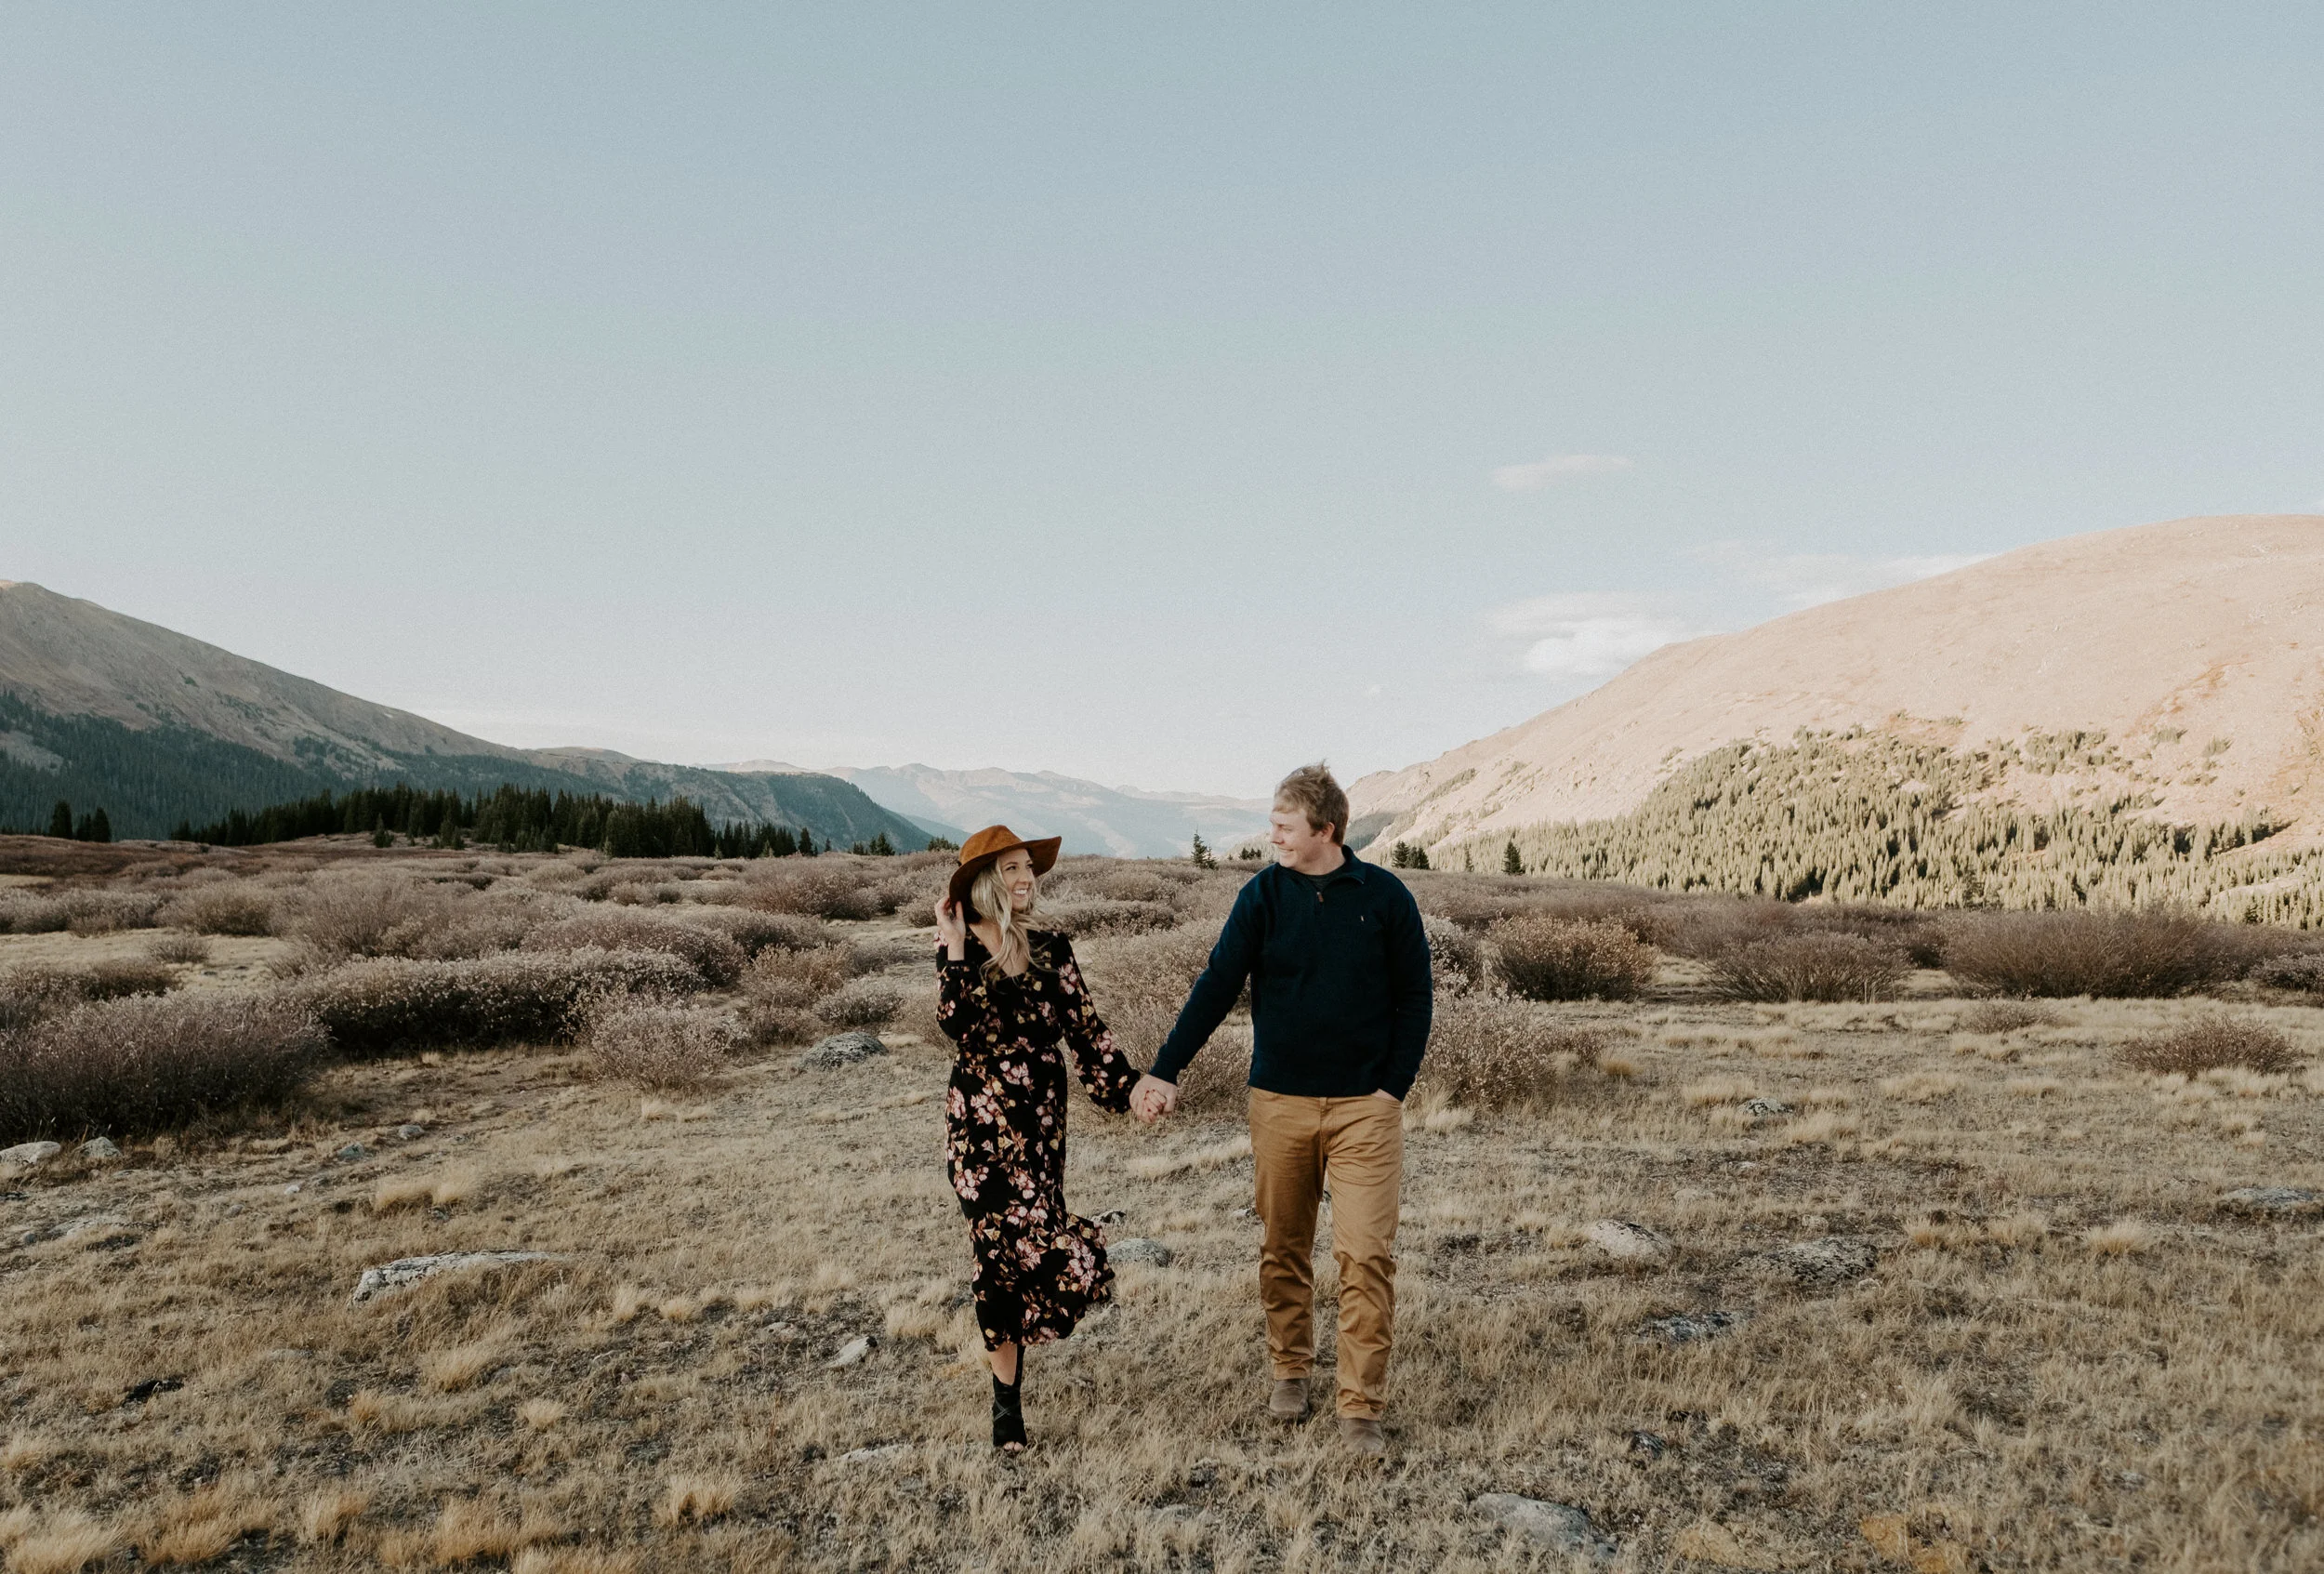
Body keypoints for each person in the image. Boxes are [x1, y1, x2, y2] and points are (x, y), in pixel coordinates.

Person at [1129, 763, 1432, 1458]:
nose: (1273, 837)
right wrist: (1166, 1068)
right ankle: (1291, 1370)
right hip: (1280, 1104)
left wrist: (1393, 1088)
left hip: (1365, 1110)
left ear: (1326, 829)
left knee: (1366, 1256)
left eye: (1284, 826)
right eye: (1272, 824)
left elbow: (1416, 996)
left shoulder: (1385, 897)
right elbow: (1217, 984)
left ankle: (1360, 1408)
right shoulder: (1262, 896)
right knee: (1284, 1248)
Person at [933, 824, 1144, 1453]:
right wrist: (953, 946)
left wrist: (1132, 1088)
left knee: (1045, 1248)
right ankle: (1007, 1405)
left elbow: (1088, 1032)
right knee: (995, 1255)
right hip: (978, 1128)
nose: (1027, 877)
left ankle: (1020, 1359)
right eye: (1013, 868)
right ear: (983, 882)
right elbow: (956, 1023)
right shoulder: (959, 947)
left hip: (1040, 1127)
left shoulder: (1053, 947)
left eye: (1030, 866)